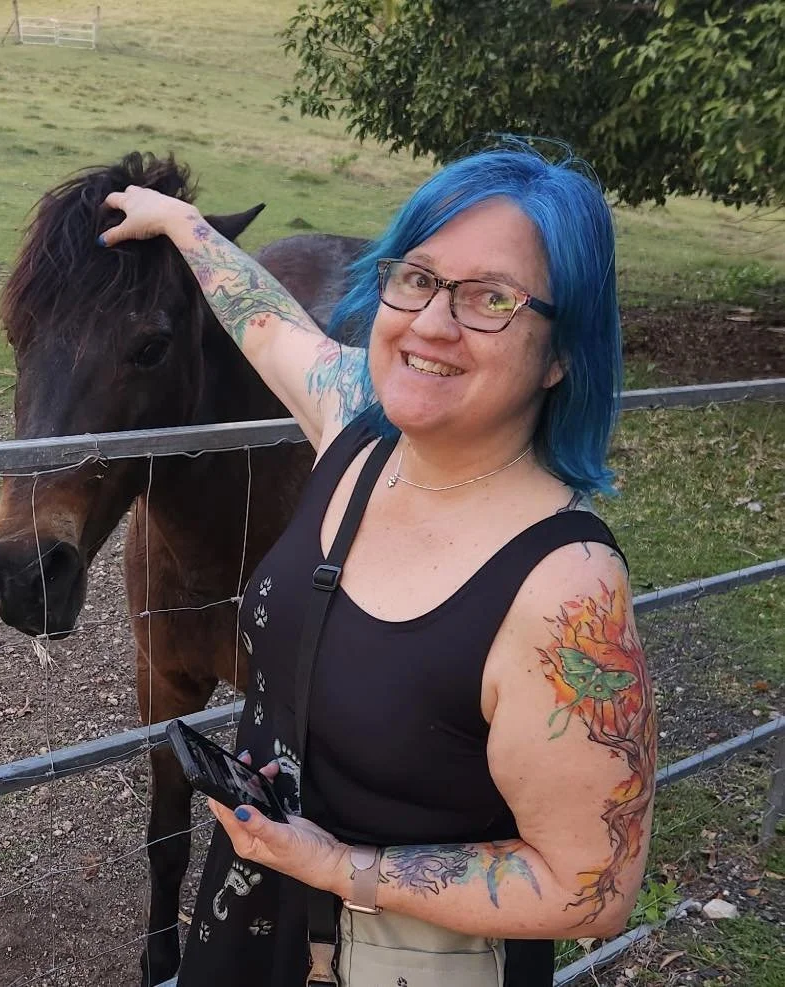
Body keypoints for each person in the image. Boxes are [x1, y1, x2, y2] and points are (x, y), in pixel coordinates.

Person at [99, 143, 656, 987]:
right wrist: (181, 224)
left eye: (491, 299)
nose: (430, 323)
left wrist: (338, 866)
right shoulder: (360, 428)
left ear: (562, 352)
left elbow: (592, 885)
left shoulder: (566, 589)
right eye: (418, 277)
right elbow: (266, 321)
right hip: (248, 921)